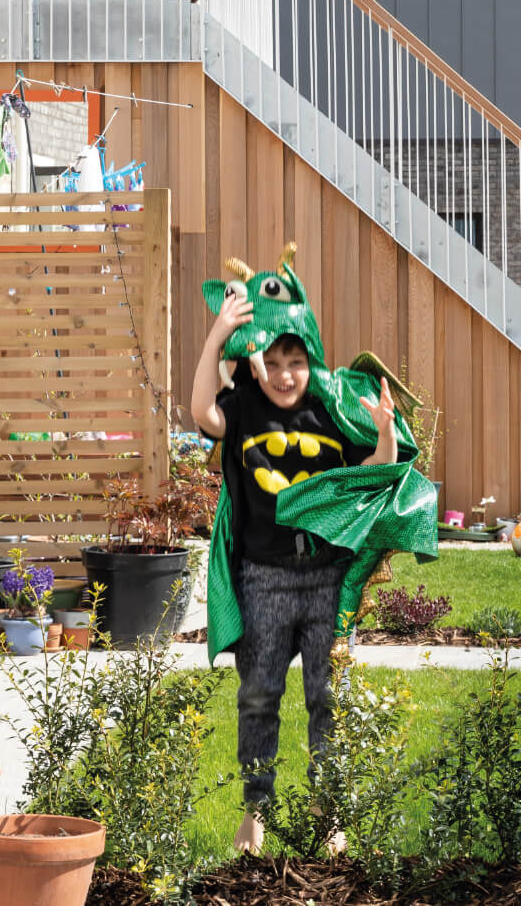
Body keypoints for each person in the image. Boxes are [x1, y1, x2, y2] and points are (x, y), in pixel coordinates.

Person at [191, 286, 398, 856]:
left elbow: (372, 472)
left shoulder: (330, 411)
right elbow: (200, 413)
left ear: (312, 359)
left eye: (297, 362)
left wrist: (382, 431)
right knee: (259, 694)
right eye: (274, 363)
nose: (285, 376)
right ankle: (255, 809)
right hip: (264, 579)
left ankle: (328, 811)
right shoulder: (243, 406)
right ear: (259, 366)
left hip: (325, 579)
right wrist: (218, 334)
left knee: (327, 696)